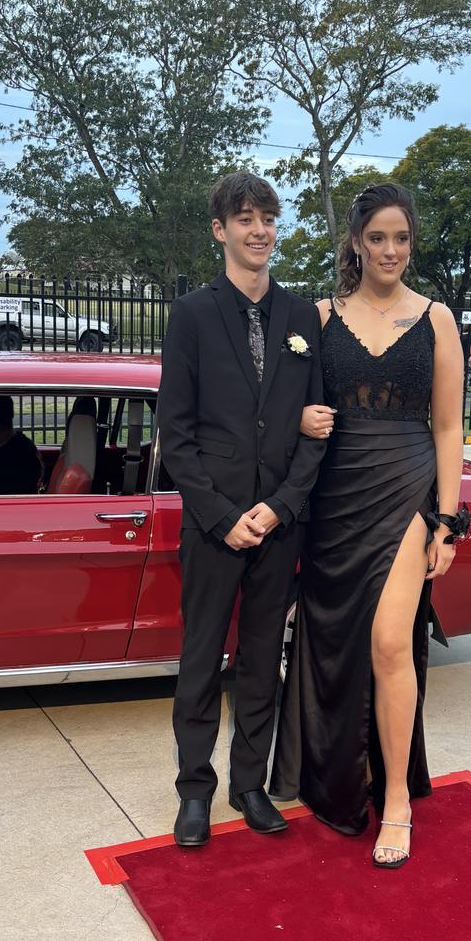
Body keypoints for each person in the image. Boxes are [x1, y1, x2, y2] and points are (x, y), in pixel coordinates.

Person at [270, 182, 471, 869]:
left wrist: (447, 519)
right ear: (356, 242)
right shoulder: (318, 317)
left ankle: (396, 804)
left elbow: (447, 426)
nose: (391, 250)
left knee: (390, 643)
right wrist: (299, 416)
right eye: (378, 237)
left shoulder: (437, 319)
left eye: (402, 238)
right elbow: (282, 404)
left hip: (408, 490)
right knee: (334, 644)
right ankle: (335, 776)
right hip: (336, 499)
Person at [157, 171, 326, 848]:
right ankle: (194, 790)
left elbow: (319, 426)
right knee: (201, 660)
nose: (260, 230)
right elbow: (178, 432)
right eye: (246, 218)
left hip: (279, 524)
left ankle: (249, 784)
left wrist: (280, 508)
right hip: (213, 525)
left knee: (262, 660)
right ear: (220, 230)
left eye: (269, 218)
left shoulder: (300, 317)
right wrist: (224, 514)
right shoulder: (193, 315)